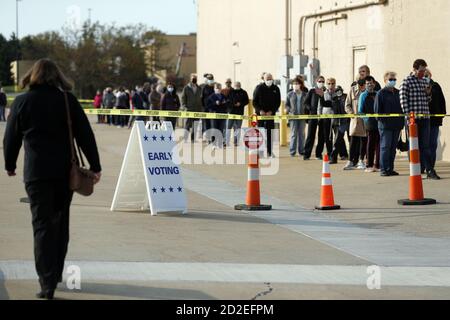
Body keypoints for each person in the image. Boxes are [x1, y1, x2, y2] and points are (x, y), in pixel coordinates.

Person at [3, 58, 101, 299]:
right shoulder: (68, 101)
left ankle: (46, 282)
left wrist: (10, 164)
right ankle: (55, 273)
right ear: (57, 76)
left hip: (36, 174)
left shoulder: (22, 101)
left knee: (42, 225)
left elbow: (10, 137)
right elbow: (85, 134)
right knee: (60, 222)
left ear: (32, 76)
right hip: (64, 174)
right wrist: (95, 166)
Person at [400, 59, 440, 180]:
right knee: (413, 146)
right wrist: (409, 116)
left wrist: (428, 93)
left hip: (425, 117)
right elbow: (403, 100)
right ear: (415, 69)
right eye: (421, 70)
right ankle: (415, 170)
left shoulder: (423, 82)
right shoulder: (406, 81)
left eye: (424, 70)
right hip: (413, 120)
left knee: (425, 145)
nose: (423, 73)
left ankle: (429, 170)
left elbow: (427, 100)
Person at [374, 71, 404, 176]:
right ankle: (383, 169)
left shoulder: (398, 93)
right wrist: (384, 121)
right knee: (385, 147)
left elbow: (402, 109)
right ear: (385, 80)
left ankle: (390, 168)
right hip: (385, 126)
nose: (393, 81)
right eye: (390, 79)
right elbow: (377, 112)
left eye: (394, 79)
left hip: (396, 125)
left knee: (393, 148)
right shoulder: (380, 93)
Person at [253, 73, 281, 157]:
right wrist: (260, 110)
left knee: (269, 133)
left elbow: (278, 102)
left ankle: (269, 151)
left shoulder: (276, 88)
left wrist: (272, 111)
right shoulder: (259, 88)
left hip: (270, 115)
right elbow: (254, 102)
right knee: (260, 132)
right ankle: (260, 152)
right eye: (267, 79)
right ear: (264, 80)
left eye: (270, 78)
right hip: (260, 114)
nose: (269, 80)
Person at [424, 69, 446, 174]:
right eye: (423, 75)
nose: (425, 76)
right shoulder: (418, 86)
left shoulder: (436, 86)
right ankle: (423, 166)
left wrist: (442, 114)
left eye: (427, 75)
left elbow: (442, 100)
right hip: (423, 120)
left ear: (430, 75)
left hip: (435, 120)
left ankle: (431, 167)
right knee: (425, 145)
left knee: (433, 144)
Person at [344, 78, 367, 170]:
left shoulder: (368, 90)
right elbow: (347, 105)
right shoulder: (352, 90)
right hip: (355, 120)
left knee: (363, 141)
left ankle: (361, 160)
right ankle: (350, 161)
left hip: (365, 121)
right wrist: (351, 114)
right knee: (353, 141)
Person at [303, 76, 326, 160]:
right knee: (310, 135)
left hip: (323, 116)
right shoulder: (312, 91)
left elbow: (326, 102)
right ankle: (306, 154)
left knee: (321, 136)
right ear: (316, 82)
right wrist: (310, 109)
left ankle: (318, 154)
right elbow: (305, 103)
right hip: (313, 116)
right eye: (319, 81)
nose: (321, 82)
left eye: (322, 81)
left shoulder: (325, 91)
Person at [285, 78, 308, 157]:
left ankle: (301, 151)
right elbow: (287, 105)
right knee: (294, 134)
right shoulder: (290, 94)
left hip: (302, 117)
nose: (295, 85)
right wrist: (288, 110)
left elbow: (307, 105)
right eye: (294, 84)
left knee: (302, 134)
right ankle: (292, 151)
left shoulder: (305, 94)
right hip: (293, 117)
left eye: (297, 84)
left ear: (300, 85)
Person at [317, 77, 336, 159]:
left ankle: (342, 153)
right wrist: (319, 117)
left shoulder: (338, 93)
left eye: (332, 83)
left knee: (338, 136)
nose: (330, 85)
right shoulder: (323, 93)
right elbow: (319, 106)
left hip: (335, 117)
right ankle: (329, 153)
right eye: (329, 83)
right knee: (328, 137)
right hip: (326, 117)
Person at [329, 86, 349, 164]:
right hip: (339, 122)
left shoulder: (346, 96)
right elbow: (334, 110)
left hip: (348, 120)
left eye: (340, 90)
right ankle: (333, 158)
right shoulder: (334, 99)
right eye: (337, 91)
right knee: (337, 140)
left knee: (352, 140)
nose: (339, 92)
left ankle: (354, 158)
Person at [181, 74, 203, 142]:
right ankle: (185, 138)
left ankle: (193, 139)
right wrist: (184, 107)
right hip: (189, 109)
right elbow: (183, 98)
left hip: (197, 109)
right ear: (190, 79)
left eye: (195, 78)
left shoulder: (199, 88)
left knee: (195, 124)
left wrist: (201, 108)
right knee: (187, 124)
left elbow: (201, 98)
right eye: (193, 78)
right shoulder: (186, 88)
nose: (194, 79)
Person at [226, 81, 249, 146]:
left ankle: (236, 142)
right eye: (236, 85)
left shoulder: (244, 92)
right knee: (228, 127)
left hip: (239, 113)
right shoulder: (231, 92)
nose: (237, 86)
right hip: (231, 112)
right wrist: (233, 104)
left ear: (240, 85)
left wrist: (241, 103)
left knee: (238, 128)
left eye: (238, 85)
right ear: (234, 85)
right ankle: (226, 141)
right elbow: (228, 100)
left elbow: (247, 101)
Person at [206, 83, 227, 149]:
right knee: (214, 129)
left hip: (222, 115)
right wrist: (215, 103)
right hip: (214, 115)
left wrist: (223, 104)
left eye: (219, 88)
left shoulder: (223, 96)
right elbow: (208, 106)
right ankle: (213, 143)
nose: (218, 89)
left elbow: (227, 105)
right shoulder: (211, 97)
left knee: (221, 129)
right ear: (214, 89)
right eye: (216, 88)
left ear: (221, 89)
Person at [202, 74, 216, 142]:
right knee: (207, 123)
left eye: (211, 78)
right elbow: (201, 98)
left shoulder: (215, 87)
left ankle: (213, 138)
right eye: (209, 79)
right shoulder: (204, 87)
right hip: (206, 108)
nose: (210, 80)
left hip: (213, 108)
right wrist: (203, 107)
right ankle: (208, 138)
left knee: (213, 123)